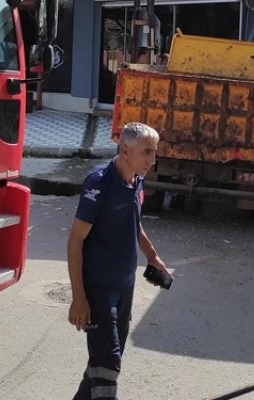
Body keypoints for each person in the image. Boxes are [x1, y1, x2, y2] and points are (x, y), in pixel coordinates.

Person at [67, 122, 170, 400]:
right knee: (108, 366)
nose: (153, 159)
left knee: (102, 365)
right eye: (146, 152)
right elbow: (75, 240)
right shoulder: (99, 184)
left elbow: (133, 223)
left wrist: (152, 256)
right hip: (99, 291)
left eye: (154, 152)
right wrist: (79, 298)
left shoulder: (137, 180)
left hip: (124, 288)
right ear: (125, 150)